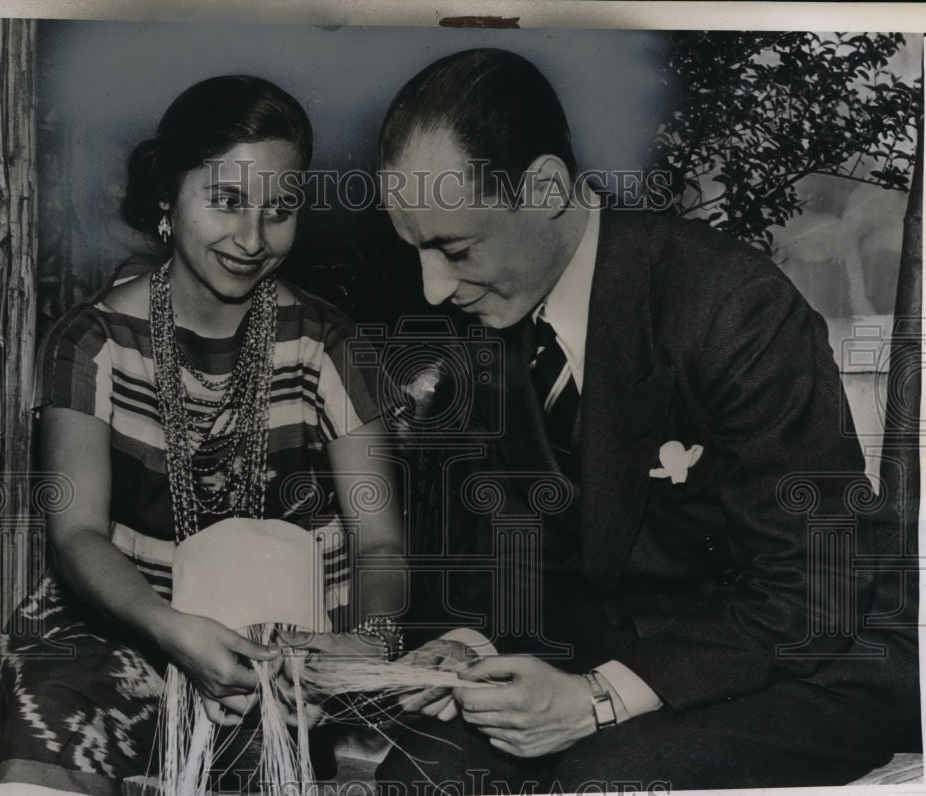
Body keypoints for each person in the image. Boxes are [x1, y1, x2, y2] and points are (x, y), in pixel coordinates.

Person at [374, 48, 921, 793]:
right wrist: (466, 645)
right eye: (416, 252)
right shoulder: (489, 319)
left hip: (805, 664)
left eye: (454, 248)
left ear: (543, 188)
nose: (433, 289)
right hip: (605, 647)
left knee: (605, 782)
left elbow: (811, 589)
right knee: (423, 773)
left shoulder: (732, 307)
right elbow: (511, 551)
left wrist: (596, 700)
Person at [0, 75, 407, 796]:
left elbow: (380, 542)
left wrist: (361, 647)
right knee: (56, 706)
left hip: (300, 647)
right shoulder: (91, 344)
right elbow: (78, 534)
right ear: (166, 199)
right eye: (226, 201)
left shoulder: (329, 343)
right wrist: (168, 628)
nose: (252, 239)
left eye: (280, 210)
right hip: (135, 626)